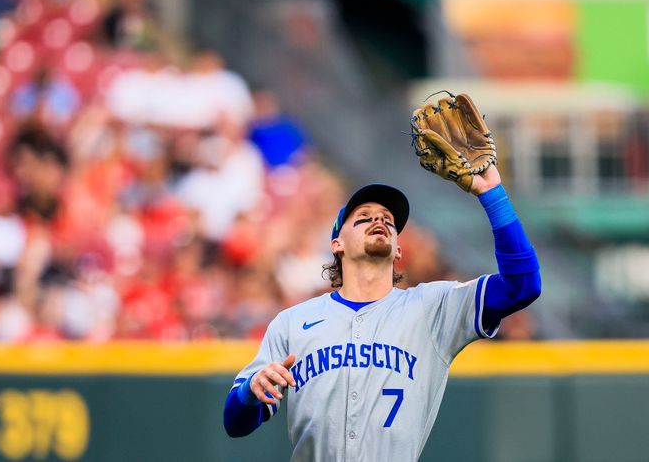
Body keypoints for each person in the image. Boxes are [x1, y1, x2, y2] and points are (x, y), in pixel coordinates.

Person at [222, 165, 541, 461]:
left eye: (389, 220)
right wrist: (250, 392)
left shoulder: (432, 307)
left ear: (399, 249)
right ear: (337, 243)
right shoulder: (292, 322)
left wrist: (492, 193)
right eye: (363, 216)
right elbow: (235, 424)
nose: (380, 221)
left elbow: (523, 285)